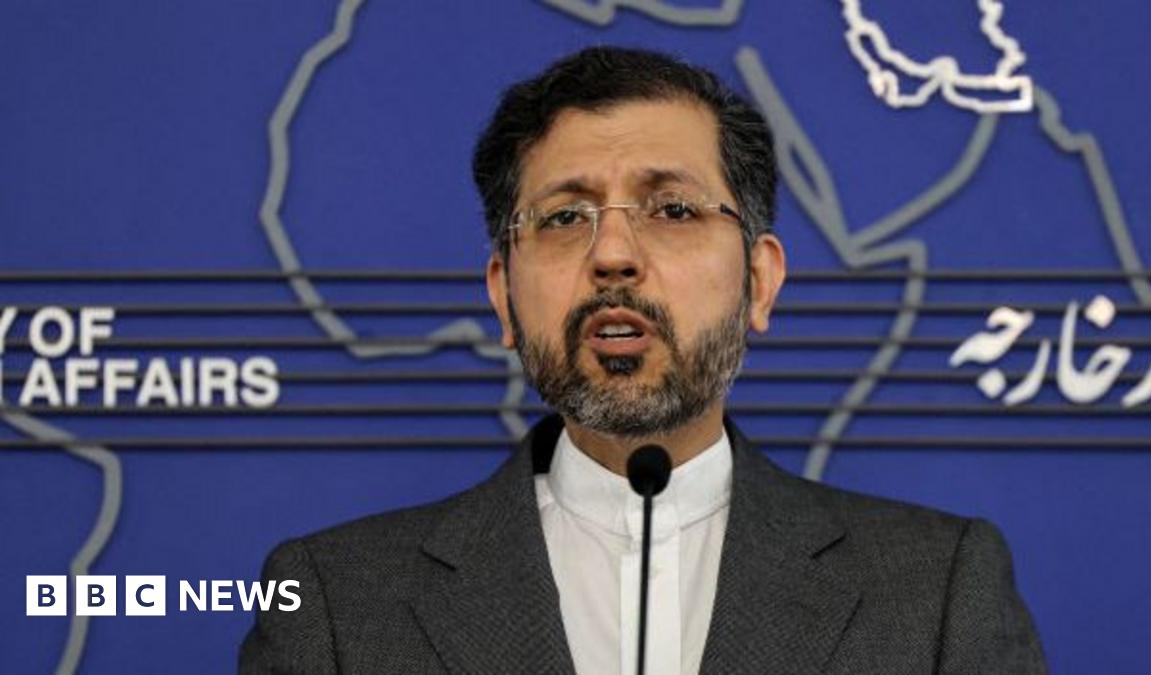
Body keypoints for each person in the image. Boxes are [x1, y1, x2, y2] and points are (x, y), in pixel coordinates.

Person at [240, 46, 1047, 674]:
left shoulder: (939, 592)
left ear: (760, 281)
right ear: (503, 295)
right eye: (565, 217)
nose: (613, 254)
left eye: (673, 209)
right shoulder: (335, 605)